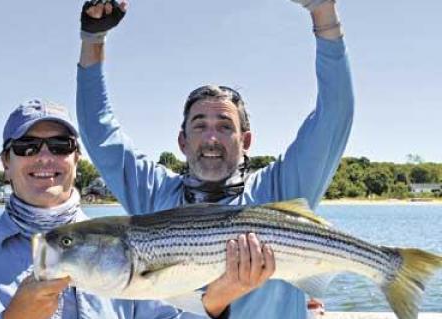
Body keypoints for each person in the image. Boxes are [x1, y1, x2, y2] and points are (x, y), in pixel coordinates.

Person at [76, 0, 354, 317]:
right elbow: (100, 133)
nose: (211, 138)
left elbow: (334, 115)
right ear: (182, 141)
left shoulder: (280, 188)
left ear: (245, 140)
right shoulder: (153, 193)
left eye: (225, 126)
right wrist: (93, 40)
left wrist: (323, 12)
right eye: (199, 126)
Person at [0, 100, 274, 319]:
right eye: (27, 146)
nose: (45, 157)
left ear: (76, 158)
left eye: (60, 146)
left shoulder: (128, 243)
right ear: (5, 161)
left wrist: (217, 300)